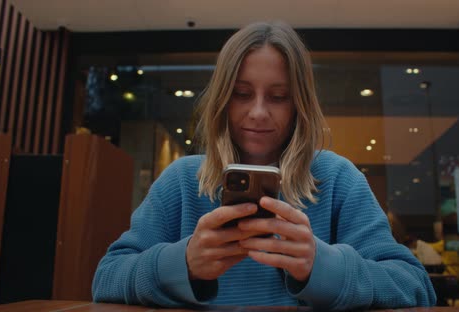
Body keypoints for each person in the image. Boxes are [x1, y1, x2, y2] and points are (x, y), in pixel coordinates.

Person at [92, 21, 436, 310]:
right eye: (242, 94)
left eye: (278, 96)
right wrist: (182, 264)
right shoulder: (182, 181)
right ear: (222, 99)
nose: (258, 112)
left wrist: (323, 266)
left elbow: (415, 286)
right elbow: (106, 278)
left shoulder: (337, 178)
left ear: (299, 104)